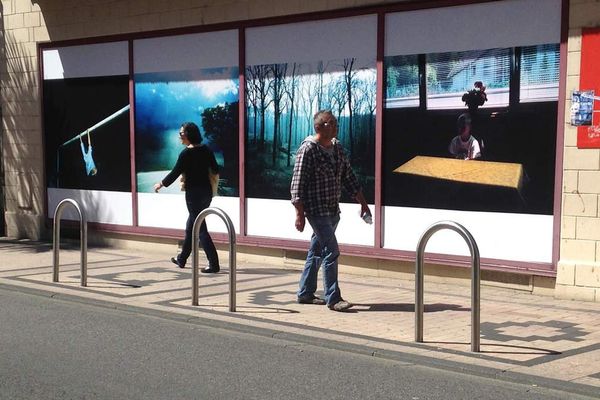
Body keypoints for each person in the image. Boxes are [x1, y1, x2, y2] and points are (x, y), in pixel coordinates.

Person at [290, 110, 371, 312]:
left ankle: (305, 293)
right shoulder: (308, 150)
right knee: (331, 251)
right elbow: (297, 185)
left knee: (316, 251)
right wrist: (299, 214)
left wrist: (363, 203)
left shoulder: (337, 148)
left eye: (335, 123)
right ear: (318, 127)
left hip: (332, 209)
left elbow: (349, 177)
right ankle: (333, 298)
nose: (335, 126)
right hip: (316, 210)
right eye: (331, 123)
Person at [153, 122, 220, 273]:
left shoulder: (186, 154)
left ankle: (214, 264)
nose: (179, 136)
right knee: (191, 225)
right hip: (206, 193)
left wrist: (161, 184)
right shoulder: (206, 150)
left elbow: (175, 172)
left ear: (189, 134)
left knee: (200, 228)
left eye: (181, 133)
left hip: (193, 196)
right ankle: (182, 258)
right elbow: (215, 169)